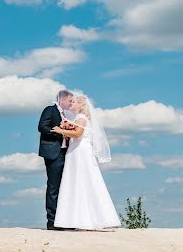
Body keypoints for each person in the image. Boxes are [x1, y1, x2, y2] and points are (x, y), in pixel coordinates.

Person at [53, 95, 121, 230]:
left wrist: (61, 130)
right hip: (76, 151)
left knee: (81, 180)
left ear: (81, 105)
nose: (71, 104)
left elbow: (78, 134)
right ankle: (79, 219)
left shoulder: (81, 118)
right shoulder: (78, 118)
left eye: (73, 102)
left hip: (80, 152)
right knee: (78, 181)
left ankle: (83, 219)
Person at [38, 89, 74, 230]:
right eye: (70, 101)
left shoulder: (65, 114)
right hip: (53, 152)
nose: (71, 103)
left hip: (65, 152)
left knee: (63, 186)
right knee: (53, 187)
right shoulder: (50, 110)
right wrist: (58, 130)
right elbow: (42, 127)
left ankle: (63, 220)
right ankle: (52, 221)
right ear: (62, 99)